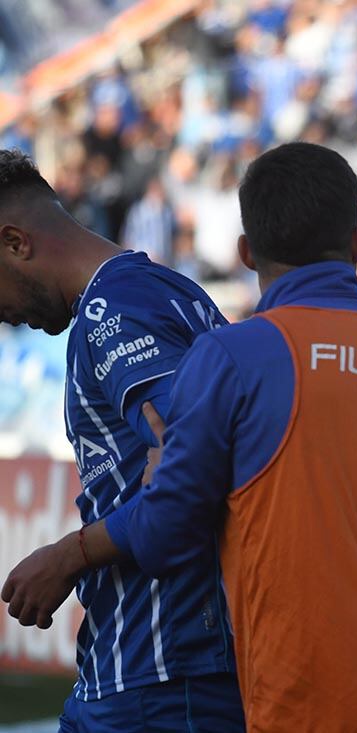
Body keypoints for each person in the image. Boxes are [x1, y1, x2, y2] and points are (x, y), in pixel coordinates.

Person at [2, 143, 357, 732]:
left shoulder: (132, 314)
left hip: (164, 667)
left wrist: (71, 553)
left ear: (246, 253)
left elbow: (178, 495)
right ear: (356, 245)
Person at [0, 149, 242, 730]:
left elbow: (195, 462)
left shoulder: (118, 311)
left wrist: (67, 556)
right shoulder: (167, 290)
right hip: (147, 667)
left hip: (163, 673)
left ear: (15, 243)